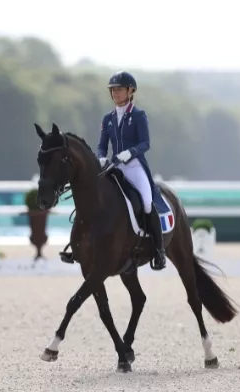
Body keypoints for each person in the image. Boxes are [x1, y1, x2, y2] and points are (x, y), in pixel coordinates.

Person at [60, 71, 166, 270]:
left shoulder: (138, 115)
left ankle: (159, 251)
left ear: (130, 91)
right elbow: (102, 145)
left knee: (147, 202)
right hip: (113, 167)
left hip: (134, 166)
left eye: (119, 89)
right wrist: (100, 157)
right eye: (113, 90)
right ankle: (77, 247)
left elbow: (145, 143)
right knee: (92, 198)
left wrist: (129, 153)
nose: (116, 93)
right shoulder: (107, 118)